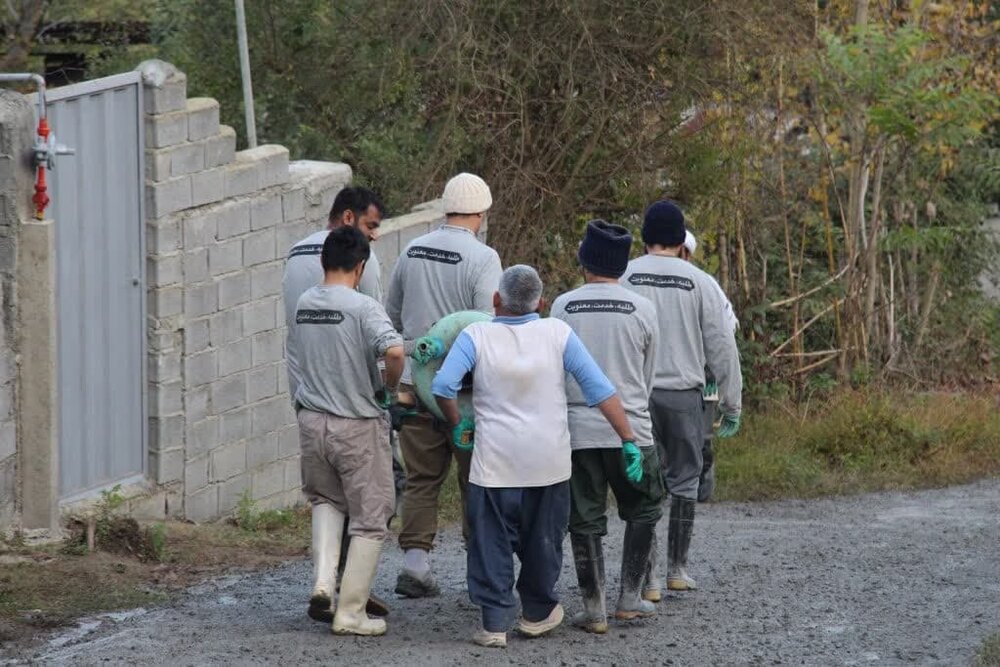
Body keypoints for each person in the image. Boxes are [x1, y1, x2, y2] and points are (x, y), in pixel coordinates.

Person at [431, 265, 642, 648]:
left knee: (490, 542)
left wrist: (457, 422)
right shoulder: (558, 333)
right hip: (548, 464)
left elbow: (443, 384)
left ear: (496, 300)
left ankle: (494, 624)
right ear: (542, 303)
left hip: (494, 465)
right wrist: (628, 438)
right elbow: (600, 389)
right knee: (543, 540)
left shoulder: (475, 335)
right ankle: (537, 613)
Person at [384, 172, 503, 598]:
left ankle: (415, 566)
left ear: (445, 208)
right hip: (466, 394)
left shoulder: (411, 251)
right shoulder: (483, 258)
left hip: (416, 386)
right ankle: (480, 570)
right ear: (482, 212)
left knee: (421, 478)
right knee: (477, 479)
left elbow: (391, 317)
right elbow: (487, 327)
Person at [281, 186, 396, 620]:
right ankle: (352, 603)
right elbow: (387, 346)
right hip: (356, 410)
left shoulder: (296, 260)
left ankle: (323, 584)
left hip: (310, 405)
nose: (375, 236)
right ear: (348, 220)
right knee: (372, 510)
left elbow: (293, 337)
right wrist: (387, 389)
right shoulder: (362, 283)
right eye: (370, 227)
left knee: (325, 499)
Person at [621, 200, 742, 594]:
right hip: (684, 397)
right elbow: (722, 344)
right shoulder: (700, 281)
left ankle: (648, 576)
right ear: (680, 238)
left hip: (635, 396)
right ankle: (677, 568)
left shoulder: (624, 276)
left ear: (644, 238)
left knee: (644, 484)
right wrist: (731, 401)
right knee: (685, 480)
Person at [550, 221, 664, 634]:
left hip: (577, 431)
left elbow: (555, 370)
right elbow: (648, 375)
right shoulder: (643, 308)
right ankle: (630, 598)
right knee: (645, 507)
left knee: (584, 517)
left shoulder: (563, 306)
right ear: (622, 264)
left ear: (585, 260)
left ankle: (593, 608)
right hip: (630, 429)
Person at [680, 230, 739, 503]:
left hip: (704, 373)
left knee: (702, 434)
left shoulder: (705, 284)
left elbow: (728, 326)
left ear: (687, 253)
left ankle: (702, 486)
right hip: (666, 373)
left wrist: (715, 370)